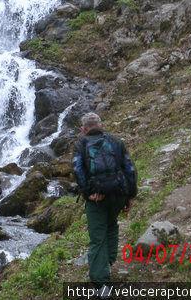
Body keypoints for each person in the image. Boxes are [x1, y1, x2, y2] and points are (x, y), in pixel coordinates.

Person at [72, 112, 137, 294]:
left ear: (84, 129)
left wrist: (88, 192)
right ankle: (107, 262)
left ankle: (101, 285)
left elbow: (77, 170)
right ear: (100, 126)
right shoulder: (116, 141)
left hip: (97, 197)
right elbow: (130, 168)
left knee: (97, 237)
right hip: (119, 193)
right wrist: (131, 195)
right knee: (111, 224)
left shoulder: (80, 145)